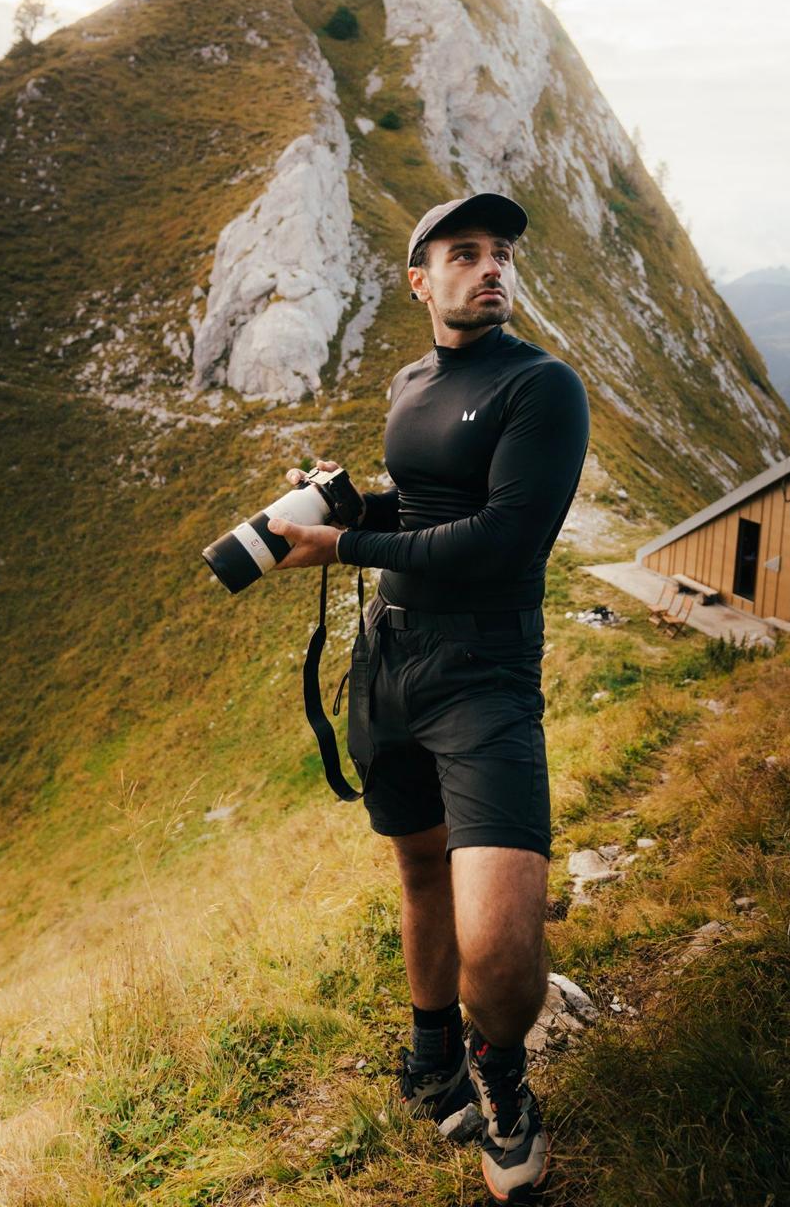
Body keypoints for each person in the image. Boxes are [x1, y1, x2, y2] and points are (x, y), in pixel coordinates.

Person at [266, 191, 590, 1204]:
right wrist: (350, 501)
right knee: (416, 865)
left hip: (484, 671)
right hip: (389, 658)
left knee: (497, 945)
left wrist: (343, 543)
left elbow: (501, 538)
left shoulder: (543, 387)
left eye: (499, 254)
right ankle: (431, 1054)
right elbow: (427, 502)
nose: (490, 267)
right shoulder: (414, 383)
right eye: (465, 253)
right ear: (422, 280)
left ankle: (500, 1076)